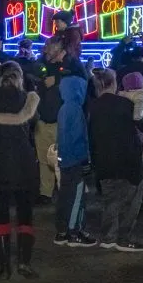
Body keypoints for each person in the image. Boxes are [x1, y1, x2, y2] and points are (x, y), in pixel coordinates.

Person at [0, 61, 41, 279]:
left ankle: (4, 266)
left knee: (0, 214)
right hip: (23, 163)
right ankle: (24, 263)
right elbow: (34, 126)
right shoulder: (27, 100)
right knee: (25, 214)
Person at [89, 69, 143, 252]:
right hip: (128, 158)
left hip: (104, 159)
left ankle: (108, 236)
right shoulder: (125, 104)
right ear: (113, 83)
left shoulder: (93, 107)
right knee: (131, 200)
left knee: (110, 199)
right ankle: (124, 237)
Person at [53, 75, 97, 247]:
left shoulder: (63, 108)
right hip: (75, 160)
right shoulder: (76, 109)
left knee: (65, 195)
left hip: (65, 160)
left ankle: (63, 231)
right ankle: (74, 232)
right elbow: (78, 138)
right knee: (77, 196)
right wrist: (85, 160)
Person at [33, 37, 66, 204]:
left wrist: (57, 80)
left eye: (50, 46)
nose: (47, 49)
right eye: (47, 46)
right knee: (44, 159)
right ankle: (45, 192)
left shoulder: (67, 67)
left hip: (60, 120)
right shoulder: (40, 64)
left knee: (62, 160)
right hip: (43, 120)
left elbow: (79, 78)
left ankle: (63, 191)